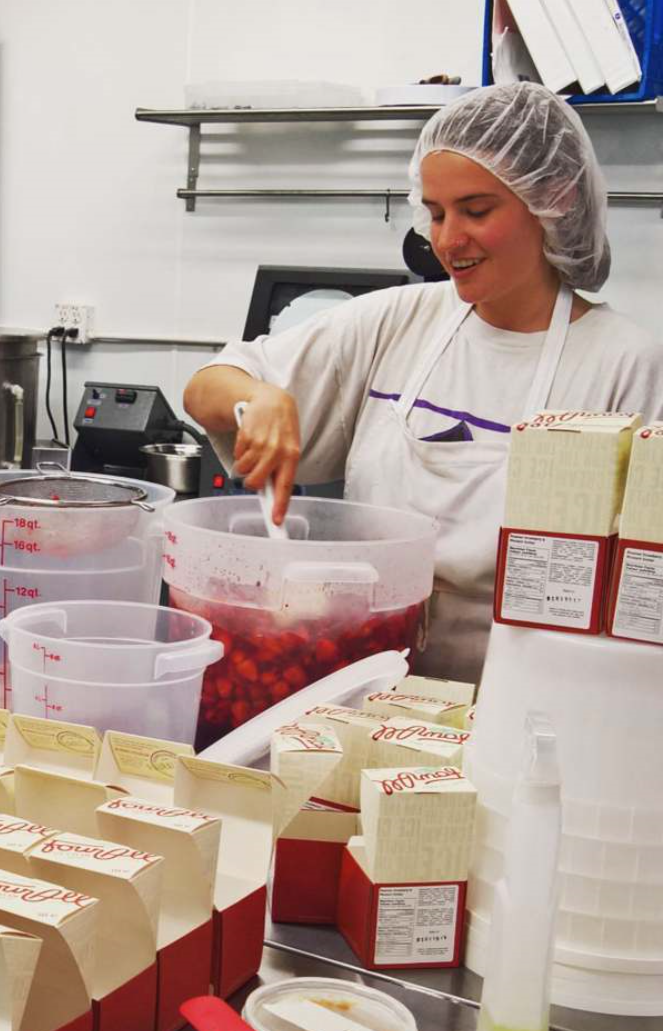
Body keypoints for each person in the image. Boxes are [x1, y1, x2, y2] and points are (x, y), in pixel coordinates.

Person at [183, 82, 662, 683]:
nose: (447, 239)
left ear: (554, 199)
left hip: (528, 703)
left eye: (476, 211)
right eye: (435, 213)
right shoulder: (399, 319)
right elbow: (207, 386)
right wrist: (261, 398)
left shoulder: (627, 364)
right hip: (368, 685)